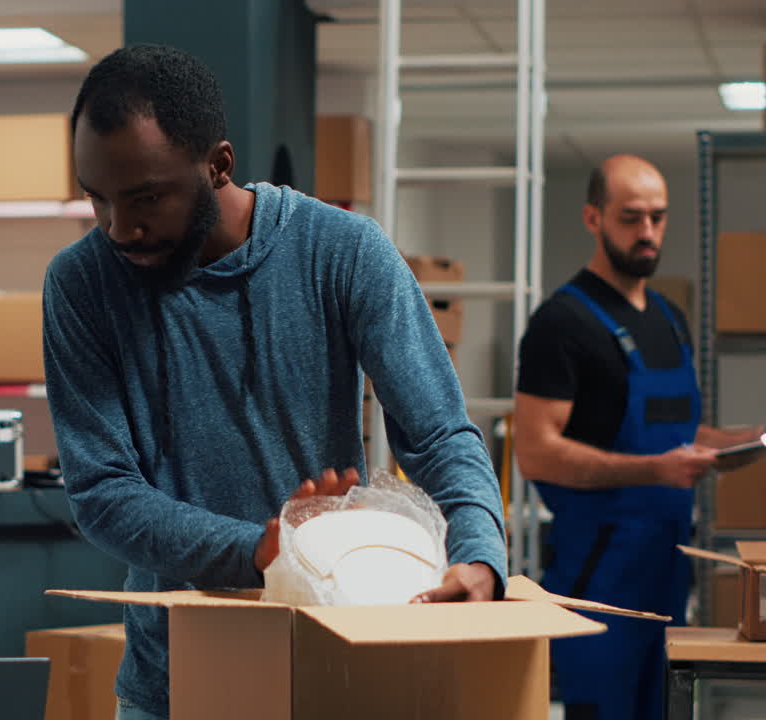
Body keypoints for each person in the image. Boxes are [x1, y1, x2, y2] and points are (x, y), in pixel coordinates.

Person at [42, 44, 508, 720]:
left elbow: (438, 435)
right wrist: (256, 551)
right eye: (97, 198)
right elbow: (103, 492)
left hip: (334, 667)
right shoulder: (82, 284)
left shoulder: (342, 252)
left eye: (146, 198)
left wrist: (479, 554)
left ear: (218, 165)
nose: (120, 228)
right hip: (175, 682)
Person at [514, 154, 762, 720]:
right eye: (630, 217)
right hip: (598, 579)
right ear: (593, 218)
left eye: (658, 216)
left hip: (665, 573)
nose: (647, 231)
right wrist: (655, 469)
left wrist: (743, 441)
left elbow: (679, 433)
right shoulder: (561, 324)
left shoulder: (670, 318)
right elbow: (536, 452)